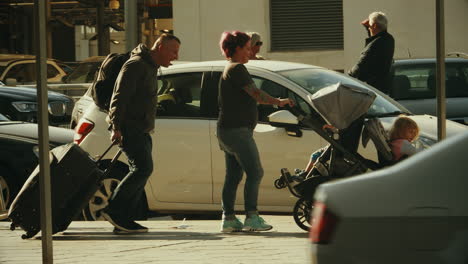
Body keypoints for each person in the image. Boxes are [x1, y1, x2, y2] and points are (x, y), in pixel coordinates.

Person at [101, 34, 181, 234]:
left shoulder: (150, 66)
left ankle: (124, 219)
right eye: (173, 51)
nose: (176, 56)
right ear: (160, 47)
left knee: (142, 170)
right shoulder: (136, 65)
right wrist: (116, 126)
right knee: (142, 169)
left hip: (142, 128)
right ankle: (114, 210)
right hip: (130, 127)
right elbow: (119, 97)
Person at [217, 31, 294, 232]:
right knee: (255, 171)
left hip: (228, 130)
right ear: (236, 48)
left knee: (233, 175)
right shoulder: (237, 68)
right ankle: (252, 217)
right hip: (237, 132)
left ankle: (229, 219)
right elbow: (257, 94)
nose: (251, 52)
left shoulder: (230, 68)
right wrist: (279, 102)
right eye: (247, 47)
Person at [348, 11, 395, 94]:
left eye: (370, 26)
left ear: (374, 26)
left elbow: (361, 64)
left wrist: (348, 76)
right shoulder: (389, 39)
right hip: (384, 88)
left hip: (372, 89)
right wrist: (368, 27)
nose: (369, 28)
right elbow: (375, 38)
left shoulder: (375, 45)